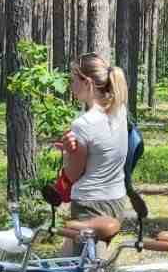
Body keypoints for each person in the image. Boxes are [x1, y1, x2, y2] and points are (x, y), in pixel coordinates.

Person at [53, 53, 131, 253]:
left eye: (73, 80)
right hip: (116, 198)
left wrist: (69, 155)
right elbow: (102, 150)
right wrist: (75, 150)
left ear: (87, 82)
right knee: (76, 261)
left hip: (90, 203)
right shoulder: (118, 110)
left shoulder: (84, 124)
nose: (71, 86)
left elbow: (73, 173)